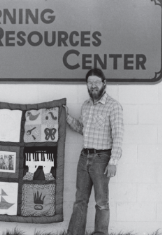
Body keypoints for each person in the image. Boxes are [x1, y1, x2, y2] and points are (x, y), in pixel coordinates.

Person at [65, 68, 124, 235]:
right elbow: (82, 129)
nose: (93, 86)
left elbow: (118, 136)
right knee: (80, 200)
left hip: (102, 159)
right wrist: (67, 117)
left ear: (104, 83)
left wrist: (113, 162)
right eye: (90, 83)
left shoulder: (113, 106)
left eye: (96, 82)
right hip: (84, 157)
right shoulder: (86, 105)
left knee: (101, 202)